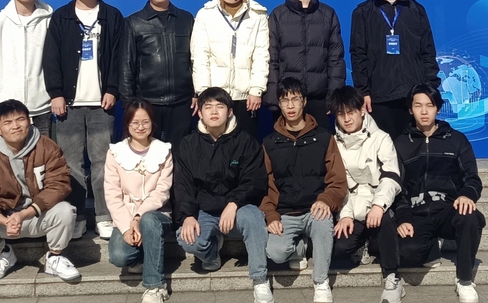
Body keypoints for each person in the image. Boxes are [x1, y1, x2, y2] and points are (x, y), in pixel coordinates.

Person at [43, 0, 123, 240]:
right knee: (71, 164)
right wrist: (56, 94)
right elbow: (50, 59)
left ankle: (103, 216)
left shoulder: (112, 16)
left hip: (102, 104)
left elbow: (119, 57)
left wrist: (113, 89)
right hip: (69, 105)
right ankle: (75, 216)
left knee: (102, 163)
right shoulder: (62, 17)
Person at [0, 99, 80, 283]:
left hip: (38, 215)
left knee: (65, 211)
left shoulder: (47, 147)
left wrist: (24, 214)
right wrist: (4, 220)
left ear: (29, 121)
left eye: (20, 119)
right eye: (7, 122)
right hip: (5, 220)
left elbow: (59, 184)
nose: (15, 126)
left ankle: (55, 257)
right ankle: (2, 254)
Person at [173, 87, 273, 303]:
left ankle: (260, 279)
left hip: (238, 208)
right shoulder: (188, 144)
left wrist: (234, 203)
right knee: (188, 239)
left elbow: (254, 181)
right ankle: (211, 254)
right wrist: (187, 215)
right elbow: (183, 185)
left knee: (255, 218)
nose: (214, 111)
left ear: (230, 112)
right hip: (204, 209)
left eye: (220, 106)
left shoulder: (245, 142)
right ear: (200, 113)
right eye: (208, 107)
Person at [394, 84, 485, 303]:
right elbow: (396, 187)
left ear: (438, 108)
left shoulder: (457, 139)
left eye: (430, 105)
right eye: (418, 106)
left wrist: (467, 195)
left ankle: (464, 280)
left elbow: (472, 178)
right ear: (410, 110)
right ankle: (432, 248)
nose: (424, 111)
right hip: (417, 212)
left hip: (449, 209)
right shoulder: (400, 143)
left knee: (471, 217)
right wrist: (403, 216)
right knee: (408, 251)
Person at [261, 78, 347, 303]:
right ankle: (299, 247)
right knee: (276, 252)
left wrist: (326, 200)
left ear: (304, 101)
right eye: (284, 100)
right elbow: (265, 186)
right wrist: (271, 215)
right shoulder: (269, 143)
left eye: (295, 99)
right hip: (285, 213)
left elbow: (338, 180)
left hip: (314, 209)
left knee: (323, 221)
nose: (290, 105)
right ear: (279, 104)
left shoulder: (324, 138)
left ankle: (321, 282)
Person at [350, 0, 441, 139]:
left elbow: (428, 51)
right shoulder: (363, 13)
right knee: (385, 148)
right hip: (379, 96)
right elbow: (358, 55)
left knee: (414, 146)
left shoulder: (415, 10)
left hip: (413, 94)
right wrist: (363, 92)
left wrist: (429, 89)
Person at [328, 86, 404, 303]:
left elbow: (391, 177)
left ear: (362, 110)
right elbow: (339, 183)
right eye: (341, 114)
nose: (347, 119)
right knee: (340, 247)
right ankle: (364, 245)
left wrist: (378, 206)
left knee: (385, 221)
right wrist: (345, 215)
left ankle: (392, 277)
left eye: (351, 112)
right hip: (352, 204)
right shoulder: (333, 143)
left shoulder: (381, 138)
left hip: (379, 202)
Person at [191, 0, 269, 138]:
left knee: (246, 144)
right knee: (214, 144)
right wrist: (204, 93)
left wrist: (256, 90)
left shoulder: (258, 14)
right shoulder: (206, 14)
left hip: (246, 96)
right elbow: (200, 56)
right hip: (215, 96)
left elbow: (261, 54)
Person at [105, 98, 173, 303]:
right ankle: (145, 258)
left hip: (158, 214)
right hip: (126, 216)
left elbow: (162, 191)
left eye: (145, 122)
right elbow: (112, 194)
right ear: (127, 124)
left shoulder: (163, 150)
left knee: (149, 221)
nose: (140, 127)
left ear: (152, 123)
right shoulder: (115, 152)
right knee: (119, 256)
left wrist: (138, 217)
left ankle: (155, 286)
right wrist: (128, 227)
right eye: (135, 122)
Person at [119, 0, 195, 149]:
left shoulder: (186, 19)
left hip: (182, 103)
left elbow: (195, 60)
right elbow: (126, 66)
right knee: (147, 154)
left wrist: (196, 93)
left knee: (180, 153)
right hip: (147, 103)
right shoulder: (133, 22)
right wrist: (130, 105)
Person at [265, 0, 345, 129]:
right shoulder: (277, 15)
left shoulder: (328, 14)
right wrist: (273, 97)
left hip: (319, 99)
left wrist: (334, 96)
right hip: (288, 99)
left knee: (321, 143)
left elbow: (336, 59)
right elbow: (272, 59)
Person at [0, 0, 53, 138]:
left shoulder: (49, 21)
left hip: (41, 106)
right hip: (7, 107)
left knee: (42, 154)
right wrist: (1, 91)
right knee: (7, 155)